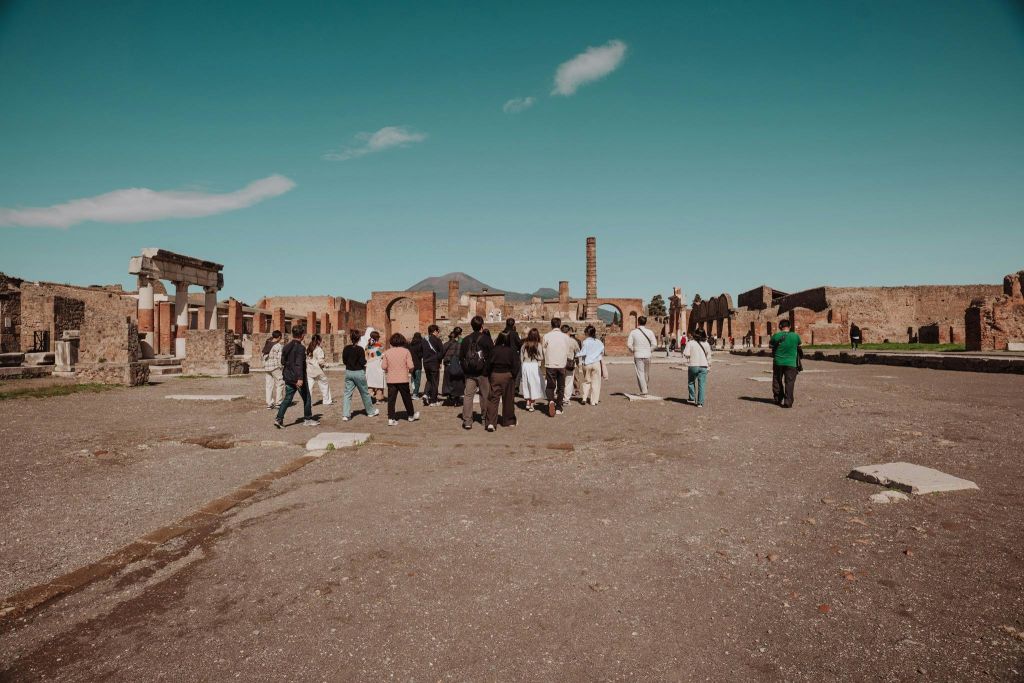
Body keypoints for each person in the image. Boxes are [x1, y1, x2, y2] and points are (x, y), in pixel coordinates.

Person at [274, 327, 318, 428]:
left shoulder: (286, 346)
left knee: (288, 398)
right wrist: (300, 378)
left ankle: (279, 418)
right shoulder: (301, 348)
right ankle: (308, 419)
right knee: (307, 398)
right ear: (302, 335)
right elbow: (299, 364)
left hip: (288, 376)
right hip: (297, 378)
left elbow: (283, 362)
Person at [459, 316, 493, 429]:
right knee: (485, 396)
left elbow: (461, 357)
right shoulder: (487, 339)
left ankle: (467, 421)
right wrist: (488, 371)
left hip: (470, 373)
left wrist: (466, 370)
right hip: (483, 373)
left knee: (468, 396)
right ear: (482, 325)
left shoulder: (465, 340)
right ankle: (484, 419)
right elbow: (491, 357)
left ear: (471, 326)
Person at [381, 333, 420, 426]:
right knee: (406, 398)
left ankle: (391, 418)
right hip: (403, 379)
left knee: (391, 400)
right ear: (402, 341)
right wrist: (410, 371)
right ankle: (411, 415)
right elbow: (411, 366)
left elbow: (383, 366)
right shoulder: (406, 351)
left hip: (391, 379)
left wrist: (389, 369)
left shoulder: (387, 352)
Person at [485, 332, 521, 431]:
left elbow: (488, 364)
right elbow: (516, 365)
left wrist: (489, 374)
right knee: (508, 399)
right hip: (507, 375)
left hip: (495, 375)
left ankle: (491, 422)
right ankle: (509, 420)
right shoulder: (511, 351)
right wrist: (513, 375)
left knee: (493, 399)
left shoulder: (493, 350)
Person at [341, 329, 379, 421]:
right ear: (358, 339)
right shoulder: (360, 349)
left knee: (347, 394)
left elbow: (344, 361)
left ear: (351, 338)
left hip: (349, 372)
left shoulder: (346, 348)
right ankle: (370, 412)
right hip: (359, 372)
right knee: (365, 393)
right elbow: (363, 362)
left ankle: (346, 414)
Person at [541, 317, 573, 417]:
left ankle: (551, 401)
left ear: (551, 325)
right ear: (560, 325)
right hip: (562, 364)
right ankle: (559, 407)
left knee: (550, 385)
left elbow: (543, 350)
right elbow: (568, 351)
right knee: (561, 386)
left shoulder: (547, 336)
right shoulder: (566, 337)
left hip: (550, 364)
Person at [770, 319, 803, 408]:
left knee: (777, 380)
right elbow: (799, 347)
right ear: (790, 326)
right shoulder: (796, 336)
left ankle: (778, 399)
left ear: (780, 326)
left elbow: (771, 346)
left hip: (778, 362)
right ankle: (788, 402)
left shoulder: (775, 336)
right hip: (791, 364)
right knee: (789, 382)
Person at [627, 316, 657, 396]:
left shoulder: (633, 332)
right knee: (646, 373)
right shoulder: (650, 332)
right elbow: (654, 344)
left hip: (638, 355)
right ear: (645, 322)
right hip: (647, 355)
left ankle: (644, 391)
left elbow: (629, 344)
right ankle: (645, 388)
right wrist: (649, 350)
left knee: (640, 373)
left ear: (638, 322)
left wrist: (633, 350)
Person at [682, 328, 712, 407]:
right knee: (701, 384)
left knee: (691, 382)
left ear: (695, 334)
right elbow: (709, 356)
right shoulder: (706, 344)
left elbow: (686, 354)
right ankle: (700, 403)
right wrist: (709, 366)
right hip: (703, 365)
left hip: (693, 365)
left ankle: (692, 398)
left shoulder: (690, 343)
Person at [520, 328, 545, 411]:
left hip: (525, 365)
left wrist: (523, 364)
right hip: (533, 365)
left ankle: (527, 401)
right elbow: (541, 357)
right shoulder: (538, 345)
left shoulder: (525, 344)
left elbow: (521, 356)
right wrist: (536, 357)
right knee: (534, 384)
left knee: (526, 383)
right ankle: (532, 404)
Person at [578, 325, 605, 406]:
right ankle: (594, 401)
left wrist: (576, 354)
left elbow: (583, 352)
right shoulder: (599, 342)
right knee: (596, 383)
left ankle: (584, 398)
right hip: (596, 363)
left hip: (587, 363)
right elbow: (602, 353)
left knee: (586, 381)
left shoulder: (585, 342)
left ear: (586, 333)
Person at [421, 324, 444, 407]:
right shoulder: (437, 340)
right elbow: (441, 352)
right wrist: (439, 361)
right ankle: (433, 401)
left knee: (429, 379)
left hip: (426, 363)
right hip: (434, 363)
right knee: (435, 382)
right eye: (438, 331)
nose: (438, 333)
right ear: (434, 331)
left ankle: (426, 394)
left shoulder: (424, 340)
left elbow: (421, 351)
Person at [305, 334, 332, 406]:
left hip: (309, 371)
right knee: (324, 385)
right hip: (317, 371)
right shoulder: (319, 349)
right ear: (319, 341)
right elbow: (321, 362)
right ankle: (327, 400)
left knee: (309, 388)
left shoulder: (309, 348)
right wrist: (326, 365)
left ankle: (308, 402)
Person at [262, 330, 285, 410]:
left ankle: (269, 403)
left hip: (267, 367)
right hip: (275, 367)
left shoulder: (267, 344)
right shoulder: (278, 346)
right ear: (279, 337)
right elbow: (279, 358)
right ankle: (278, 403)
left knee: (269, 385)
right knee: (280, 383)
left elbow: (263, 355)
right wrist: (281, 367)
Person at [442, 327, 464, 406]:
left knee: (449, 381)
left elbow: (442, 353)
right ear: (460, 333)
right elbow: (460, 353)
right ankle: (456, 399)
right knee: (457, 382)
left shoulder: (447, 343)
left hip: (448, 364)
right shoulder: (461, 341)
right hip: (456, 364)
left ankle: (451, 397)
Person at [561, 324, 581, 404]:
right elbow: (578, 352)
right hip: (570, 363)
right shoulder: (573, 341)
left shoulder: (558, 340)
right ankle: (566, 399)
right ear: (569, 331)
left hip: (559, 363)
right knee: (568, 382)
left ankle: (559, 397)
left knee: (560, 381)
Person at [365, 330, 385, 402]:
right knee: (379, 382)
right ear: (377, 338)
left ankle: (370, 397)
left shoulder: (367, 346)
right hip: (377, 365)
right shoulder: (379, 345)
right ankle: (378, 399)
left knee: (370, 382)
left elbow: (366, 356)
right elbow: (381, 355)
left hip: (370, 366)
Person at [409, 331, 424, 400]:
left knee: (413, 379)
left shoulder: (410, 345)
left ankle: (413, 392)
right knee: (417, 380)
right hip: (418, 364)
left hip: (411, 364)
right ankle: (415, 393)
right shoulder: (420, 345)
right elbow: (421, 355)